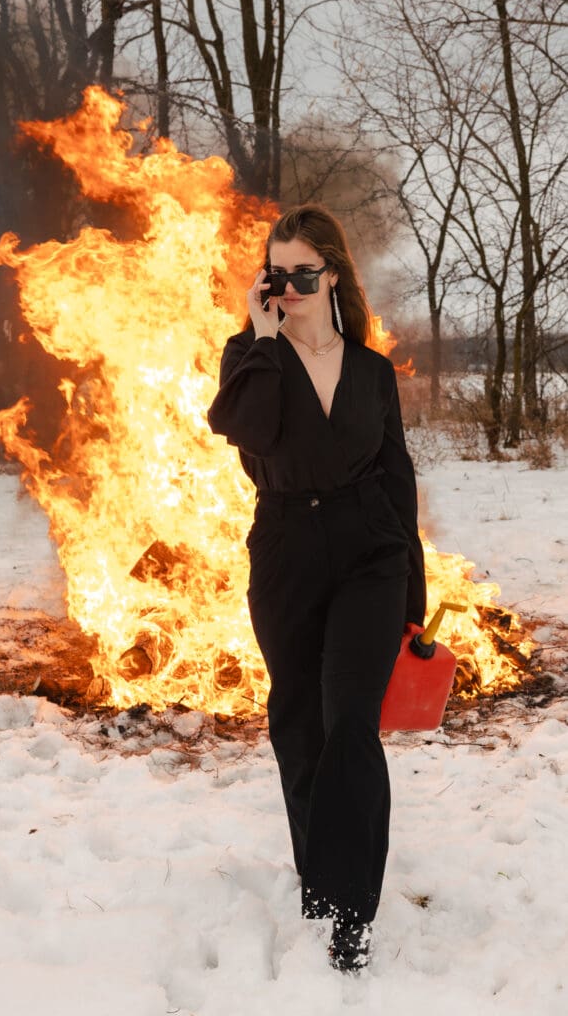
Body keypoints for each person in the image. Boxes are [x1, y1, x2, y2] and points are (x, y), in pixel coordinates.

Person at [207, 204, 426, 973]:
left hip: (370, 554)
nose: (289, 288)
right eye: (276, 275)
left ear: (332, 274)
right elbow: (247, 429)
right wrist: (264, 337)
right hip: (285, 553)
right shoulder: (249, 356)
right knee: (298, 723)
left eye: (303, 274)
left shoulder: (371, 370)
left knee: (350, 725)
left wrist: (413, 597)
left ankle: (351, 910)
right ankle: (318, 882)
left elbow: (396, 476)